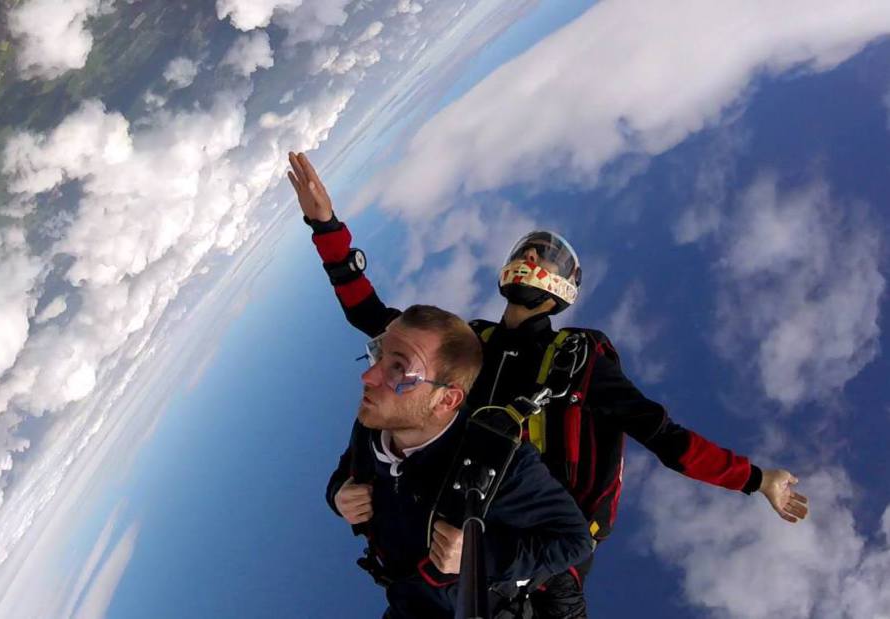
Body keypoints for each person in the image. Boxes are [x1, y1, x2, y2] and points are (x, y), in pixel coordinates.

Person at [290, 151, 810, 618]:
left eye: (547, 259)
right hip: (446, 549)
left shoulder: (578, 362)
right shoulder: (471, 342)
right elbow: (376, 319)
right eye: (530, 252)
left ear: (564, 290)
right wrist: (326, 227)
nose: (535, 261)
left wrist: (756, 478)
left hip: (543, 564)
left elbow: (664, 436)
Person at [326, 304, 595, 618]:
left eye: (399, 369)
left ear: (446, 399)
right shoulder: (374, 423)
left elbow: (575, 540)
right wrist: (338, 495)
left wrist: (479, 555)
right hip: (406, 602)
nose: (368, 376)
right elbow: (346, 471)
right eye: (377, 354)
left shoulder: (499, 463)